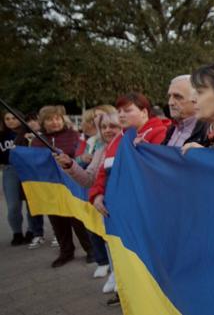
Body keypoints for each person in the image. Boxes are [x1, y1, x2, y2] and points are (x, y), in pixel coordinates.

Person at [88, 92, 167, 306]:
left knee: (147, 260)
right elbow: (104, 172)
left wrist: (143, 152)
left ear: (144, 111)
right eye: (119, 110)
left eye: (128, 110)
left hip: (146, 215)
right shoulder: (119, 139)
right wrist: (97, 194)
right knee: (126, 258)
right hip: (120, 214)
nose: (121, 115)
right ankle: (129, 294)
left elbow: (160, 173)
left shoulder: (159, 133)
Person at [54, 111, 122, 280]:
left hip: (126, 210)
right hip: (108, 211)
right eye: (103, 127)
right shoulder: (101, 151)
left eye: (112, 126)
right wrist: (70, 165)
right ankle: (116, 276)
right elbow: (88, 179)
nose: (107, 130)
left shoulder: (132, 147)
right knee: (111, 244)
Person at [31, 105, 93, 267]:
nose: (55, 122)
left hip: (72, 185)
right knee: (57, 221)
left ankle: (91, 250)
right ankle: (66, 251)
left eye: (57, 118)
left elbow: (79, 155)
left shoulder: (74, 135)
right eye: (50, 119)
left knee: (78, 219)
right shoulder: (37, 140)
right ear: (43, 122)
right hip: (52, 187)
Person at [1, 111, 42, 245]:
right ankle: (17, 233)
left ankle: (33, 230)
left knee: (32, 201)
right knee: (13, 205)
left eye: (14, 118)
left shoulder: (29, 132)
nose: (10, 121)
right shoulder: (2, 135)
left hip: (28, 168)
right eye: (7, 119)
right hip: (10, 169)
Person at [162, 75, 208, 147]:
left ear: (196, 99)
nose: (170, 102)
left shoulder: (208, 131)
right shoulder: (172, 129)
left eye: (177, 97)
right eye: (169, 96)